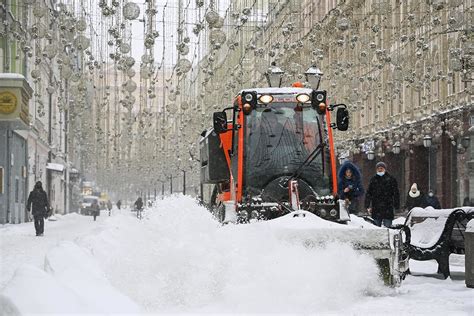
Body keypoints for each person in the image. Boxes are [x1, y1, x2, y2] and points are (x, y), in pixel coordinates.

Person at [365, 162, 400, 227]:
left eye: (381, 168)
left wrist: (396, 205)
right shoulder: (373, 180)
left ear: (385, 169)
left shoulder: (391, 179)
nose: (380, 170)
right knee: (376, 228)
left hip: (388, 206)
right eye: (378, 168)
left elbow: (396, 193)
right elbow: (369, 193)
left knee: (388, 228)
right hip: (376, 207)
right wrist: (367, 205)